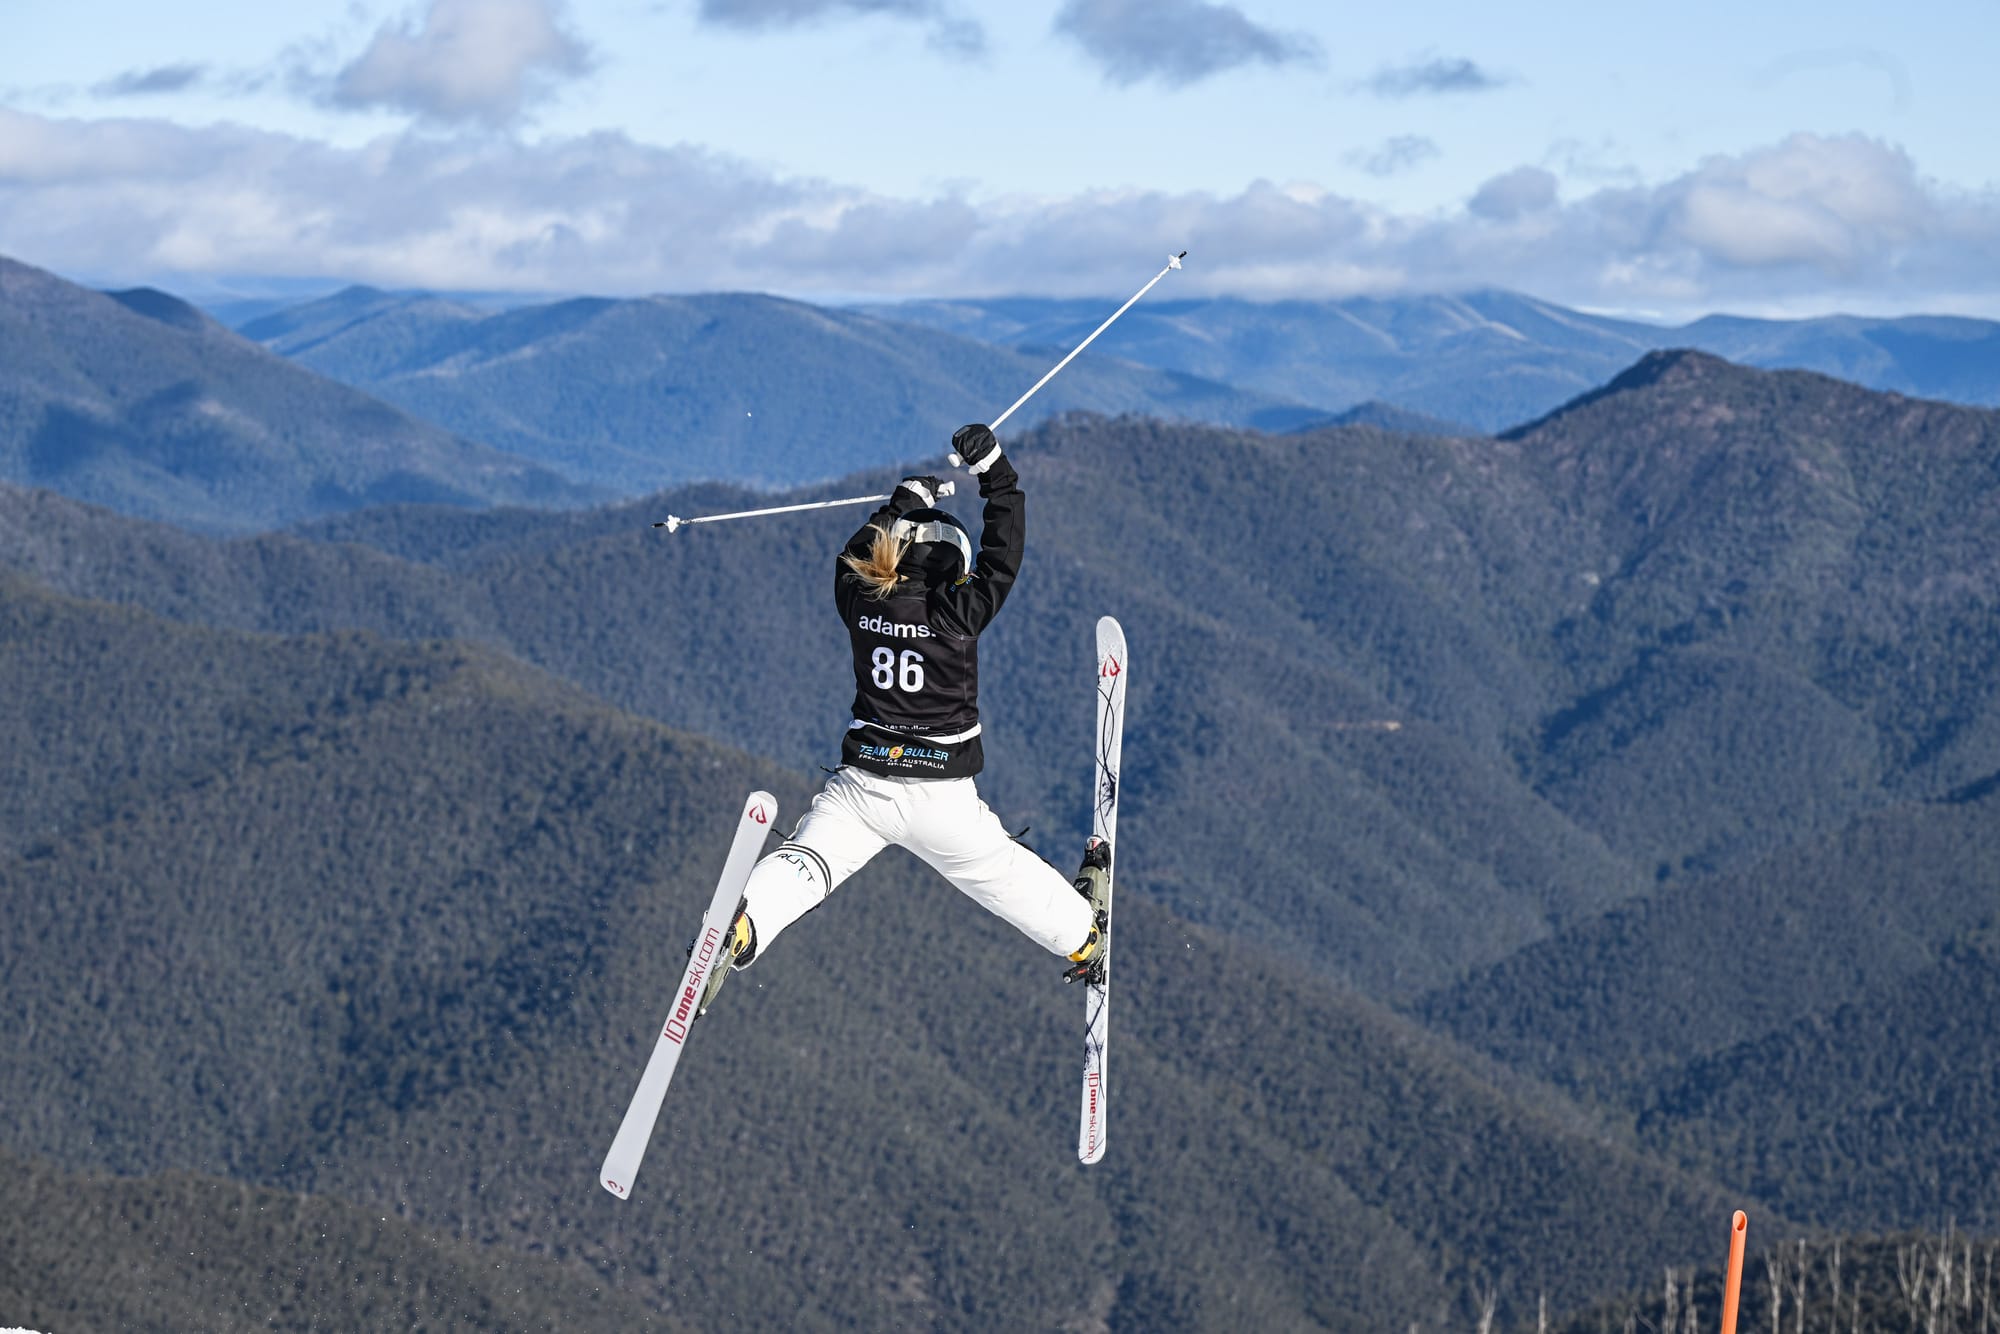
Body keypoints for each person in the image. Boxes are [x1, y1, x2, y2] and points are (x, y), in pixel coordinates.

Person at [699, 423, 1110, 1014]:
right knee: (1000, 876)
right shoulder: (956, 612)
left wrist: (901, 503)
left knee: (808, 862)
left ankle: (741, 927)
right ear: (953, 565)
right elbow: (1004, 554)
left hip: (861, 787)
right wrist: (996, 474)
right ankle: (1083, 937)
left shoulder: (859, 598)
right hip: (940, 796)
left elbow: (854, 556)